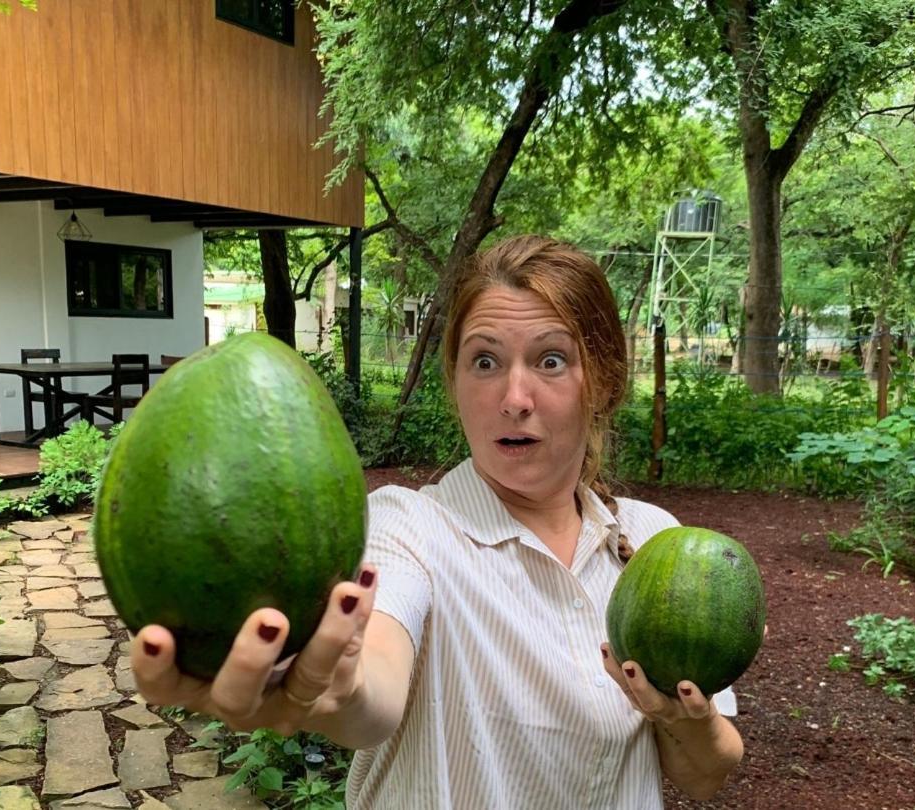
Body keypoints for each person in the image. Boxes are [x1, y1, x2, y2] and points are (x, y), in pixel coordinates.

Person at [131, 235, 745, 808]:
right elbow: (372, 691)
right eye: (484, 362)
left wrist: (680, 717)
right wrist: (332, 686)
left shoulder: (657, 547)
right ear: (453, 382)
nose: (514, 397)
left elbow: (705, 773)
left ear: (604, 383)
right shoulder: (410, 526)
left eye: (551, 360)